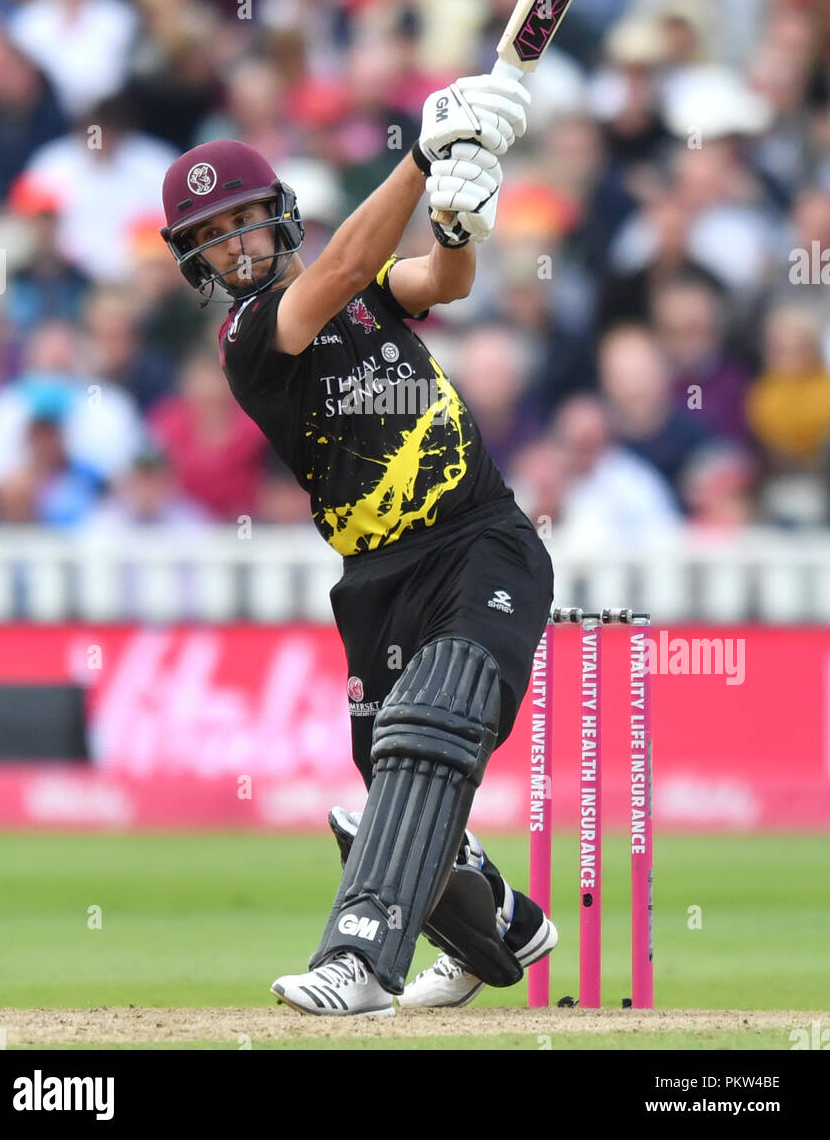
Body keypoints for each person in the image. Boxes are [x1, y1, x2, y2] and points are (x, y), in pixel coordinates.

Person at [160, 72, 555, 1016]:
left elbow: (440, 280)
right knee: (380, 801)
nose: (232, 244)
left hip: (480, 545)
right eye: (210, 237)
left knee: (428, 736)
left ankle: (360, 961)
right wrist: (423, 158)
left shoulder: (370, 290)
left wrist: (457, 224)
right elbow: (337, 274)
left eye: (243, 222)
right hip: (375, 582)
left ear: (280, 217)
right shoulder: (250, 337)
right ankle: (500, 925)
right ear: (196, 262)